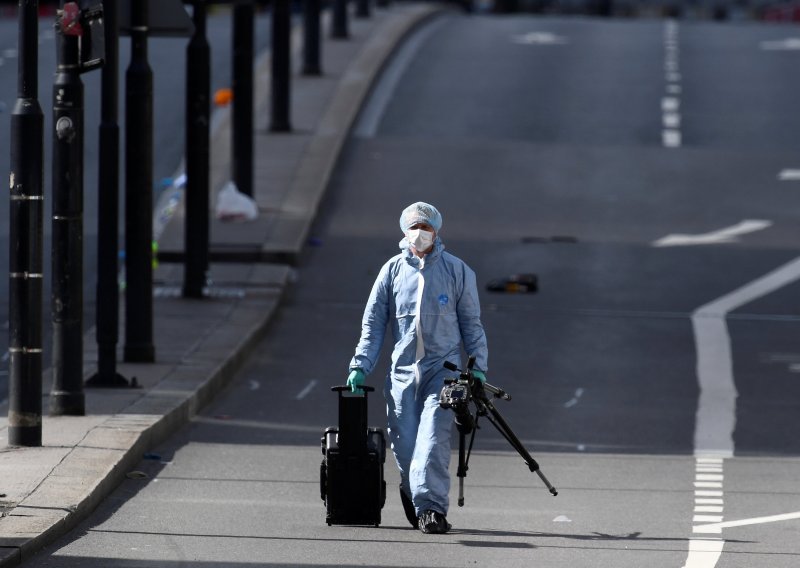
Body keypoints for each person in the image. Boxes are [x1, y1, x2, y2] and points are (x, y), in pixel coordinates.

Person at [346, 202, 489, 534]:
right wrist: (361, 365)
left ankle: (432, 509)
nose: (420, 233)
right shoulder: (392, 272)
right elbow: (373, 325)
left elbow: (472, 324)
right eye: (415, 227)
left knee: (432, 438)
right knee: (406, 442)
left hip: (445, 372)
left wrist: (478, 367)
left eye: (426, 227)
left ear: (437, 231)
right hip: (403, 373)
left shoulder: (458, 271)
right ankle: (414, 492)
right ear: (403, 230)